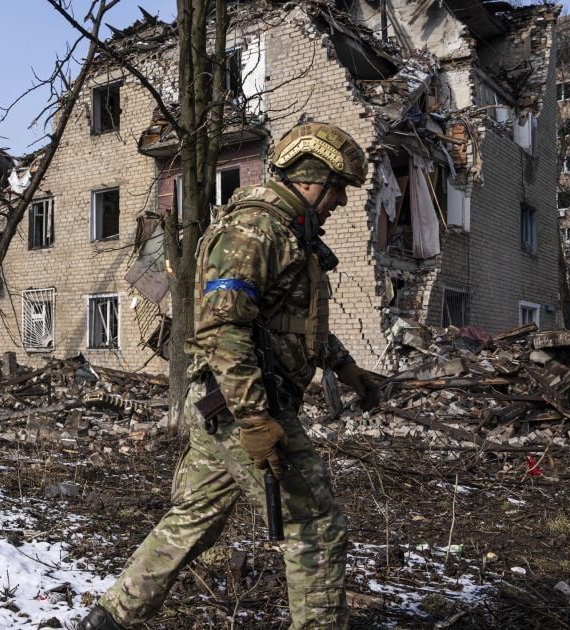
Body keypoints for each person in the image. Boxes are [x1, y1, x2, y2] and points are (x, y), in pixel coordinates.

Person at [74, 121, 383, 630]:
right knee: (315, 526)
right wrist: (256, 419)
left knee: (191, 520)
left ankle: (109, 618)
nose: (342, 203)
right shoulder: (254, 231)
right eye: (339, 190)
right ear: (312, 179)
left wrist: (347, 369)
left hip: (228, 408)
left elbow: (292, 324)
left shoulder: (286, 234)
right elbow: (224, 329)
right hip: (245, 408)